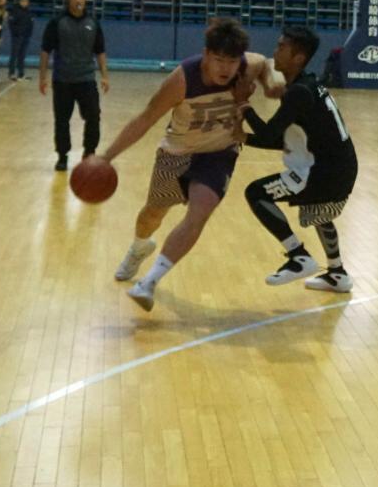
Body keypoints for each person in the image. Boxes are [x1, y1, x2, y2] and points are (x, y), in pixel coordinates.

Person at [103, 18, 276, 312]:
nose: (226, 68)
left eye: (232, 61)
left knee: (200, 211)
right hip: (177, 153)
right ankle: (139, 246)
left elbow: (267, 63)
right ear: (206, 54)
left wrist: (272, 82)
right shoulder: (182, 79)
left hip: (219, 153)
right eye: (219, 60)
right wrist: (106, 157)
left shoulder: (248, 64)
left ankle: (148, 283)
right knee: (152, 214)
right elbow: (145, 119)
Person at [239, 26, 359, 292]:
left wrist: (244, 107)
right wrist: (243, 137)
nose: (275, 52)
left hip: (324, 173)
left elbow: (269, 135)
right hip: (339, 168)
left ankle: (298, 256)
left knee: (256, 193)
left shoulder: (299, 92)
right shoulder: (308, 85)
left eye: (281, 47)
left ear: (298, 58)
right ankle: (337, 274)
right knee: (318, 210)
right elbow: (284, 140)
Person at [39, 0, 110, 172]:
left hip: (86, 79)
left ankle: (89, 152)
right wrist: (42, 77)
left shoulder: (93, 23)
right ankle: (62, 156)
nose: (78, 0)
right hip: (63, 80)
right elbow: (45, 51)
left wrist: (105, 75)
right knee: (62, 120)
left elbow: (100, 51)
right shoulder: (57, 23)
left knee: (93, 117)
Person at [8, 0, 35, 80]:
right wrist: (17, 33)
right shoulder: (14, 10)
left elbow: (31, 23)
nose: (25, 3)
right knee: (14, 55)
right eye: (23, 1)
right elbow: (11, 24)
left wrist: (29, 33)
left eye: (26, 1)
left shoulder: (28, 11)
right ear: (19, 1)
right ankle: (11, 73)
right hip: (17, 37)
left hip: (26, 36)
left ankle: (21, 73)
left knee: (22, 56)